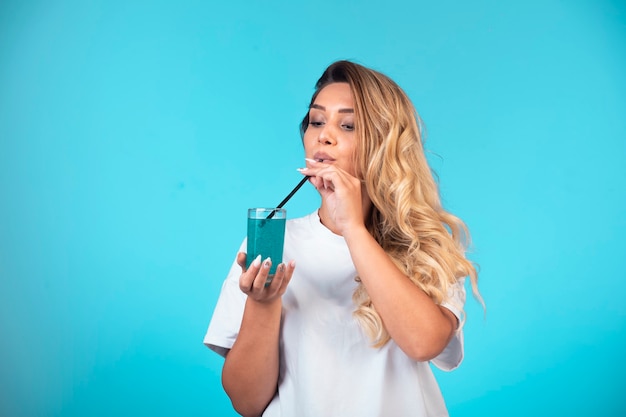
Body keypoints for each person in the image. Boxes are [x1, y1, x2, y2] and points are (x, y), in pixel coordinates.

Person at [204, 60, 482, 417]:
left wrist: (352, 227)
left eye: (348, 125)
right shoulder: (274, 242)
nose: (324, 135)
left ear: (385, 144)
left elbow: (424, 342)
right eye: (316, 121)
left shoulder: (424, 245)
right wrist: (263, 302)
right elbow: (247, 402)